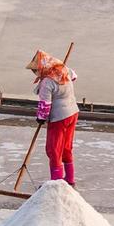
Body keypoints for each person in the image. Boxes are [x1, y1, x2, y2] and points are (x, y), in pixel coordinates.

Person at [28, 49, 79, 186]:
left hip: (59, 118)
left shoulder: (47, 82)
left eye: (36, 70)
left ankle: (56, 183)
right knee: (66, 147)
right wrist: (61, 68)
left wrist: (41, 117)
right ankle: (69, 179)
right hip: (73, 113)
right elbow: (74, 77)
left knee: (54, 149)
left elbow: (45, 104)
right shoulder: (65, 69)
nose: (35, 73)